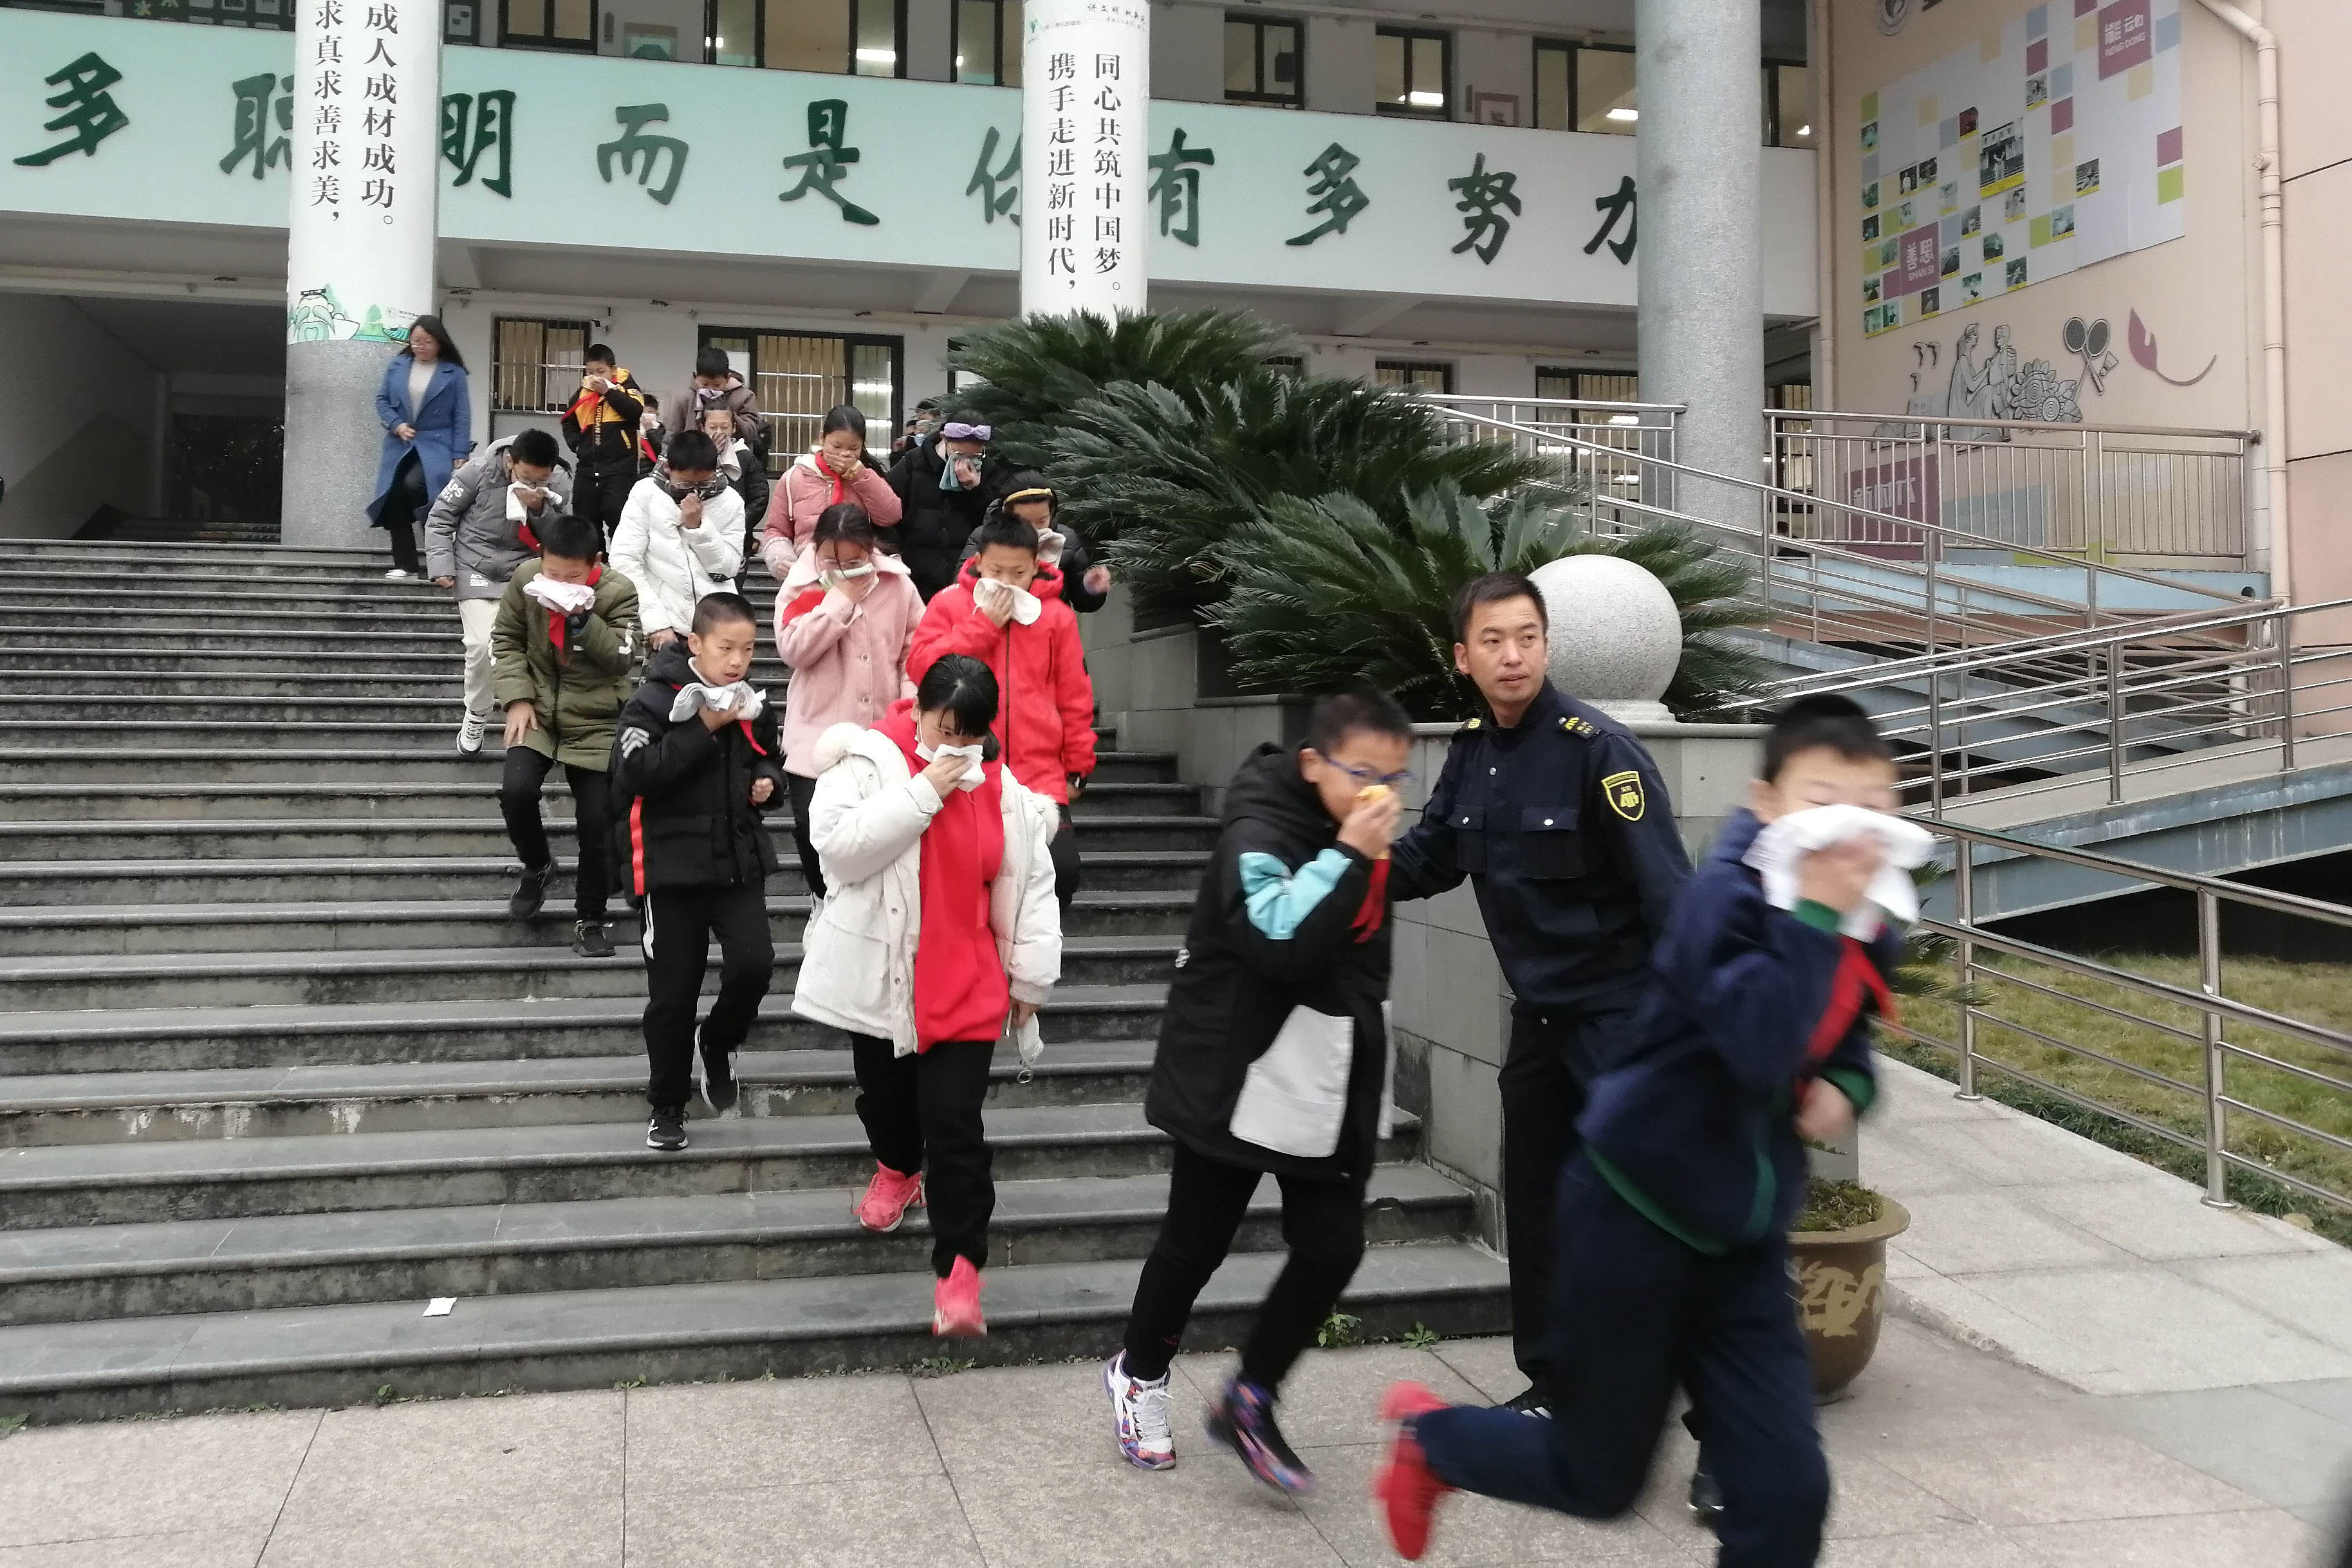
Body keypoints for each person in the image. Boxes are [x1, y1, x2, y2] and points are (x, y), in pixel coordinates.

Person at [1371, 694, 1903, 1568]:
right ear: (1766, 802)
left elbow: (1849, 1022)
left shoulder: (1860, 904)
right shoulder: (1721, 903)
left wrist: (1846, 1079)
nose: (1851, 830)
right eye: (1822, 803)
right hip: (1633, 1217)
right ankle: (1432, 1442)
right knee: (1594, 1477)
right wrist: (1815, 916)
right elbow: (1757, 1041)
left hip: (1741, 1239)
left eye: (1873, 805)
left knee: (1787, 1494)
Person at [1386, 571, 1692, 1411]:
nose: (1512, 656)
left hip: (1624, 1020)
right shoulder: (1472, 753)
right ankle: (1554, 1389)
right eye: (1492, 641)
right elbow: (1428, 857)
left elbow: (1670, 898)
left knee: (1661, 1212)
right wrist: (1339, 871)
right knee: (1540, 1207)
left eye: (1526, 637)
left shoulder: (1600, 751)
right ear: (1463, 658)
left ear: (1547, 646)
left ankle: (1719, 1418)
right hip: (1542, 1022)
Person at [1105, 690, 1414, 1493]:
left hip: (1327, 1068)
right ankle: (1139, 1374)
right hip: (1236, 1067)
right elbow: (1279, 939)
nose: (1381, 793)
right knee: (1196, 1242)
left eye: (1394, 778)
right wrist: (1349, 853)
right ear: (1312, 763)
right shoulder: (1259, 831)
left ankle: (1251, 1395)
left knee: (1333, 1245)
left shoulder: (1359, 829)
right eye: (1363, 774)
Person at [791, 654, 1063, 1340]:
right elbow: (838, 852)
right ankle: (896, 1166)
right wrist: (923, 792)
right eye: (944, 731)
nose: (957, 748)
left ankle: (960, 1272)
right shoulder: (866, 761)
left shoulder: (1004, 790)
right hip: (885, 974)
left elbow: (1032, 884)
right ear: (917, 711)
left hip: (968, 978)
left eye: (970, 736)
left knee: (956, 1126)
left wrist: (1030, 979)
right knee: (887, 1102)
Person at [609, 591, 784, 1154]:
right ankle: (667, 1103)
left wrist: (769, 781)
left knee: (755, 964)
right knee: (673, 996)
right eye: (726, 648)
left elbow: (768, 753)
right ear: (696, 643)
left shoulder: (750, 700)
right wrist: (703, 727)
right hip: (670, 872)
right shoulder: (653, 700)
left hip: (737, 861)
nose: (737, 661)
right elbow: (634, 772)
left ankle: (718, 1040)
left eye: (748, 649)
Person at [906, 515, 1095, 909]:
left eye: (1019, 573)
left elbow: (1075, 696)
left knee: (1061, 872)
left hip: (1039, 773)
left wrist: (1078, 768)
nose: (1007, 582)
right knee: (972, 879)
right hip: (965, 766)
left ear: (1037, 566)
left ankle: (1033, 947)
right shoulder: (950, 603)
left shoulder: (1056, 616)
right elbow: (921, 667)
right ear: (978, 562)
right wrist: (982, 626)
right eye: (996, 571)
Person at [490, 510, 642, 959]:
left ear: (595, 563)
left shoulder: (619, 591)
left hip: (596, 720)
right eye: (552, 573)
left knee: (596, 822)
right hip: (537, 707)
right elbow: (506, 639)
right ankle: (537, 865)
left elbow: (622, 658)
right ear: (542, 558)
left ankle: (590, 916)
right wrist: (517, 698)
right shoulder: (526, 579)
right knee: (516, 791)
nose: (558, 582)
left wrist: (583, 620)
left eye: (571, 577)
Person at [774, 503, 923, 903]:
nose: (842, 569)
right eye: (831, 560)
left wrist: (908, 704)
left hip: (881, 733)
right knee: (811, 828)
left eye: (854, 561)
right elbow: (793, 650)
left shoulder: (897, 585)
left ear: (870, 549)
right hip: (815, 733)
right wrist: (839, 600)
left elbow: (915, 650)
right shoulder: (801, 585)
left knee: (875, 833)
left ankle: (864, 911)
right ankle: (822, 902)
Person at [421, 428, 570, 758]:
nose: (534, 484)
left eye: (541, 480)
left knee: (534, 650)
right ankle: (477, 711)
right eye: (526, 478)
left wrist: (539, 509)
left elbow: (562, 537)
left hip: (526, 570)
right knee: (480, 645)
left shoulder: (559, 481)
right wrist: (442, 565)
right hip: (475, 566)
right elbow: (441, 518)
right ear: (510, 462)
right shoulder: (476, 471)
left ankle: (541, 718)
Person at [611, 429, 746, 652]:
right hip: (667, 629)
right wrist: (655, 622)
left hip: (717, 626)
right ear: (667, 468)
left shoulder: (730, 501)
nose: (694, 493)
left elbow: (728, 569)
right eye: (684, 485)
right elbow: (625, 560)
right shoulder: (646, 494)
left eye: (704, 485)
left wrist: (699, 529)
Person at [366, 315, 472, 581]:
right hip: (400, 443)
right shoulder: (397, 366)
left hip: (437, 444)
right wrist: (397, 425)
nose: (420, 347)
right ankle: (406, 565)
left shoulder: (453, 373)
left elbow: (462, 415)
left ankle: (439, 562)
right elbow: (382, 400)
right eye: (415, 342)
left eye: (427, 342)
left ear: (439, 342)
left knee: (421, 492)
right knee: (394, 497)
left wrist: (460, 453)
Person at [759, 405, 904, 579]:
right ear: (822, 438)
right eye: (836, 446)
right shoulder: (795, 477)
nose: (844, 454)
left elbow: (891, 515)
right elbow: (776, 529)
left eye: (853, 449)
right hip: (808, 573)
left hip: (855, 572)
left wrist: (860, 476)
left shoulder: (866, 477)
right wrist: (782, 559)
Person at [887, 410, 1010, 600]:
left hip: (964, 578)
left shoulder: (990, 471)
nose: (967, 461)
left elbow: (993, 524)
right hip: (915, 578)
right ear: (944, 439)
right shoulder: (912, 464)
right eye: (959, 454)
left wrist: (975, 490)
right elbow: (888, 513)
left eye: (976, 456)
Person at [958, 474, 1111, 614]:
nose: (1033, 530)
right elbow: (962, 587)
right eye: (1024, 522)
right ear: (1006, 514)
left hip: (1049, 625)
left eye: (1042, 521)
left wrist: (1090, 589)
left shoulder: (1065, 540)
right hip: (993, 620)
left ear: (1051, 513)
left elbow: (1083, 603)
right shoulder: (984, 537)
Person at [560, 344, 650, 544]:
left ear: (613, 370)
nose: (595, 377)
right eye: (590, 372)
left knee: (619, 519)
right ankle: (594, 559)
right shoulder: (583, 392)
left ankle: (619, 559)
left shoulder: (628, 387)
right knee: (585, 523)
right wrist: (577, 445)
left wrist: (608, 392)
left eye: (601, 372)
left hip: (620, 469)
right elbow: (568, 420)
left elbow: (635, 411)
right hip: (587, 469)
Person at [662, 347, 763, 452]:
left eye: (717, 385)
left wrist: (728, 413)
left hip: (735, 456)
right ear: (696, 377)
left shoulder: (744, 396)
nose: (711, 389)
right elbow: (671, 437)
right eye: (705, 384)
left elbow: (752, 432)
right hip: (692, 458)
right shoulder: (685, 399)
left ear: (728, 378)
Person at [702, 405, 770, 560]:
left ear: (733, 428)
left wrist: (739, 522)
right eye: (713, 427)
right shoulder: (693, 456)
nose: (719, 432)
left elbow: (760, 497)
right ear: (703, 428)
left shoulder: (745, 457)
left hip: (738, 536)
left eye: (724, 427)